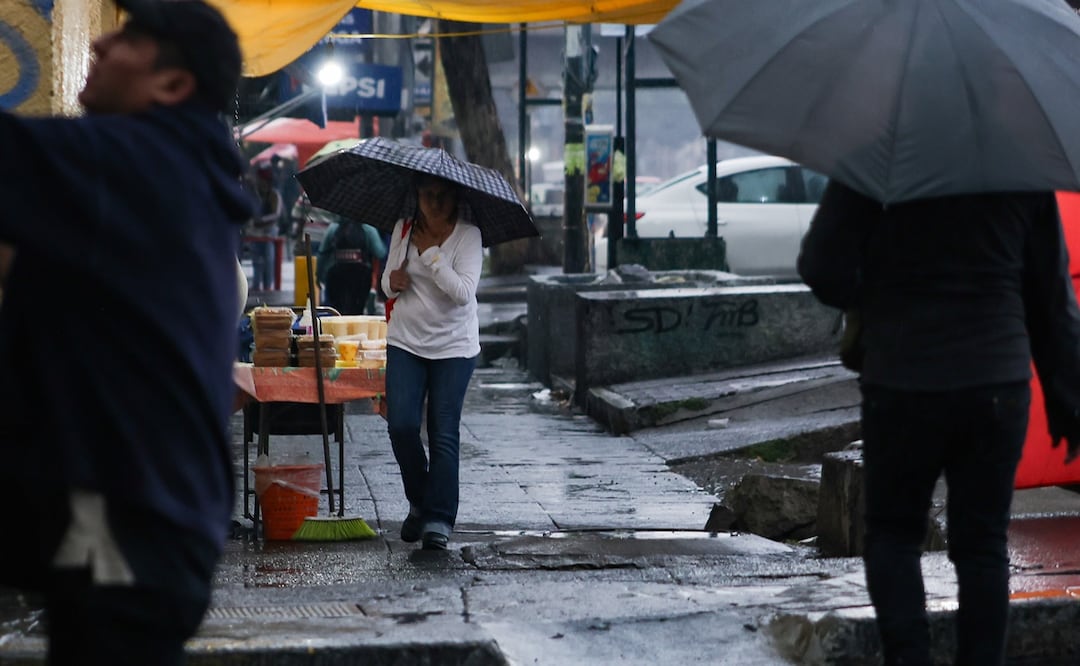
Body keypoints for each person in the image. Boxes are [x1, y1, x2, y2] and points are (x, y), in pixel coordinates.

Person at [0, 1, 250, 663]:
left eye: (132, 39)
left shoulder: (136, 162)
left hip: (127, 524)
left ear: (172, 84)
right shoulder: (178, 176)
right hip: (151, 517)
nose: (104, 45)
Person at [798, 181, 1080, 666]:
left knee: (892, 534)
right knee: (983, 545)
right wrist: (1068, 404)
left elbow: (822, 266)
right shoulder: (1018, 167)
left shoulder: (877, 160)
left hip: (903, 377)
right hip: (996, 381)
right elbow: (1051, 299)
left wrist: (875, 296)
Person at [381, 173, 483, 551]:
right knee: (402, 426)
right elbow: (386, 285)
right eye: (428, 195)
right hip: (405, 340)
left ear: (456, 198)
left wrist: (432, 256)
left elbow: (463, 293)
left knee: (443, 431)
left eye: (443, 196)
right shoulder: (402, 229)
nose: (436, 203)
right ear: (417, 197)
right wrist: (392, 281)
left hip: (454, 347)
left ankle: (438, 518)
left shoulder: (468, 236)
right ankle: (420, 499)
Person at [316, 218, 387, 315]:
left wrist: (319, 277)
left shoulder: (333, 228)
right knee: (357, 311)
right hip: (361, 279)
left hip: (336, 278)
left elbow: (322, 254)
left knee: (337, 312)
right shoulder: (368, 229)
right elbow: (380, 253)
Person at [245, 162, 282, 291]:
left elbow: (276, 213)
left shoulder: (273, 194)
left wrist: (261, 220)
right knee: (257, 262)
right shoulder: (255, 193)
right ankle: (256, 286)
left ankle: (268, 288)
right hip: (256, 233)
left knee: (268, 262)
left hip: (269, 233)